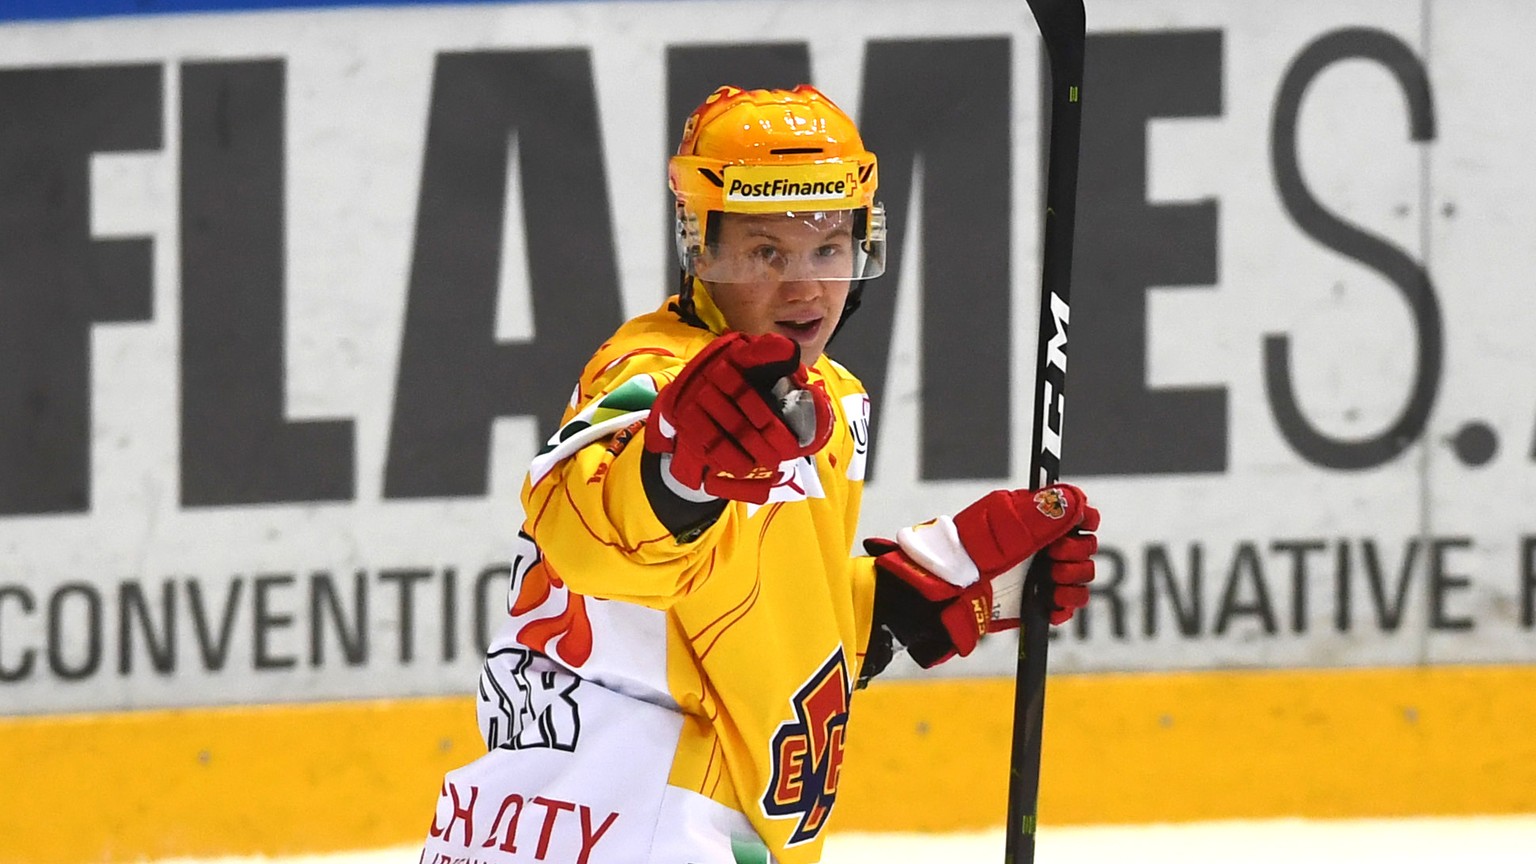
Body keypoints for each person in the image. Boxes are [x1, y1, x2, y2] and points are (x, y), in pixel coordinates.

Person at [418, 84, 1100, 864]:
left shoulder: (832, 400)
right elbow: (588, 540)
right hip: (612, 822)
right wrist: (676, 474)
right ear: (701, 249)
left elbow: (738, 626)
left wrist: (927, 586)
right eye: (766, 252)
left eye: (829, 248)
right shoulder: (659, 376)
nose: (805, 287)